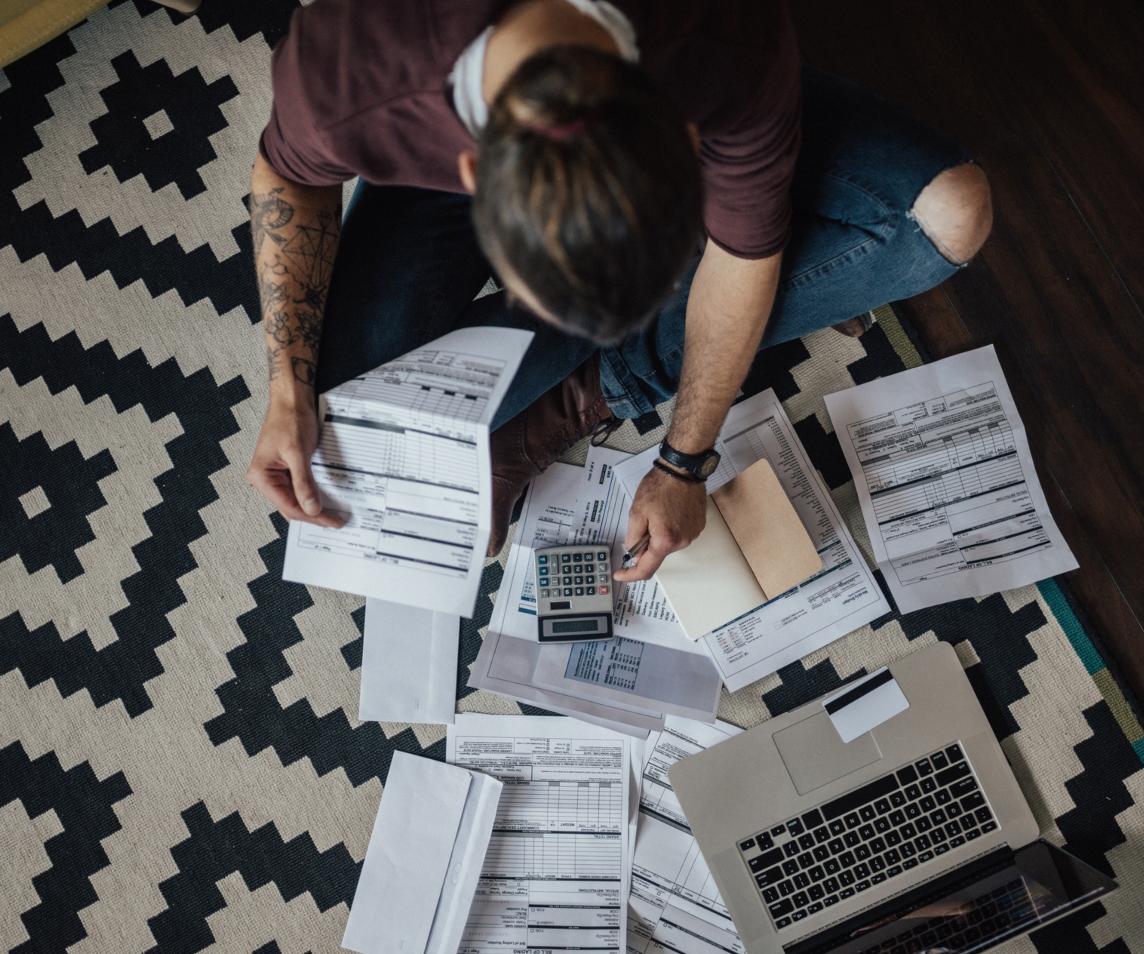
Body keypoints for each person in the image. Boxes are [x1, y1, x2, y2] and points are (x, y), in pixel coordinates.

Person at [245, 0, 992, 584]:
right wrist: (288, 386)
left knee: (949, 217)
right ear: (472, 174)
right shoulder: (351, 68)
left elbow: (744, 256)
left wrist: (684, 459)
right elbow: (287, 176)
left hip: (708, 72)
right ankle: (594, 359)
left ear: (689, 144)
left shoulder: (727, 45)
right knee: (349, 422)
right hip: (434, 107)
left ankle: (596, 385)